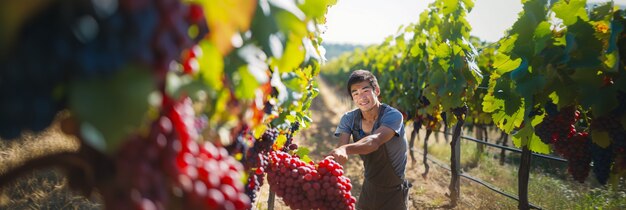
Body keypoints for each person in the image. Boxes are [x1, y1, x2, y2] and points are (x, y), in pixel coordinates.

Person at [328, 69, 411, 210]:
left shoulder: (393, 116)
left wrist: (345, 149)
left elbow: (374, 141)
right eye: (355, 93)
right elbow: (340, 153)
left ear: (376, 90)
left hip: (394, 193)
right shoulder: (349, 119)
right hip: (368, 189)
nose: (361, 97)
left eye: (365, 90)